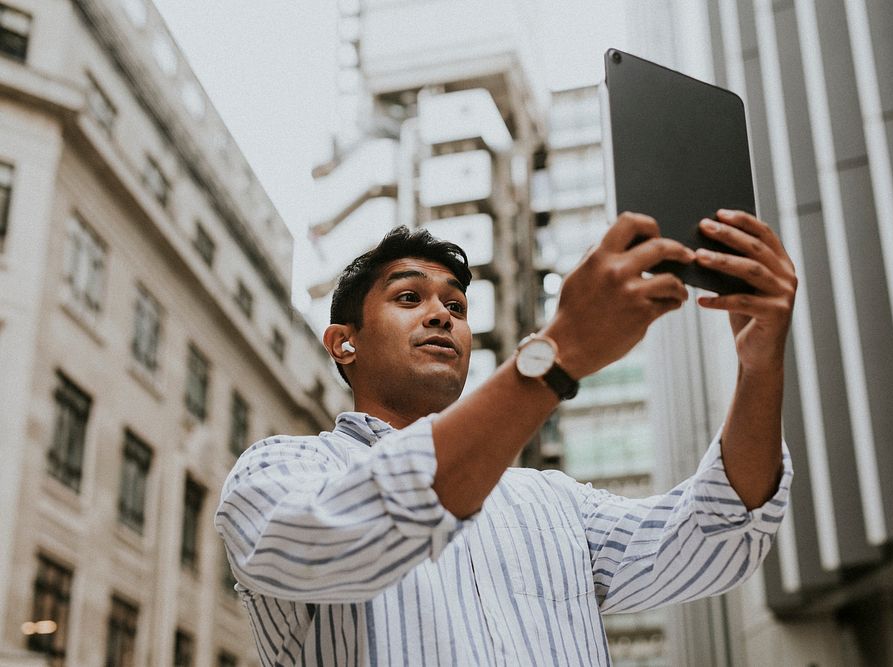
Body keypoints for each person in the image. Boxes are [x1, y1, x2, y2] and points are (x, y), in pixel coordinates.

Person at [215, 209, 796, 666]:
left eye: (456, 305)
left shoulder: (554, 502)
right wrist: (556, 356)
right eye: (409, 297)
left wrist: (760, 367)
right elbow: (332, 542)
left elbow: (716, 535)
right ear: (344, 342)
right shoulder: (280, 471)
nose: (442, 315)